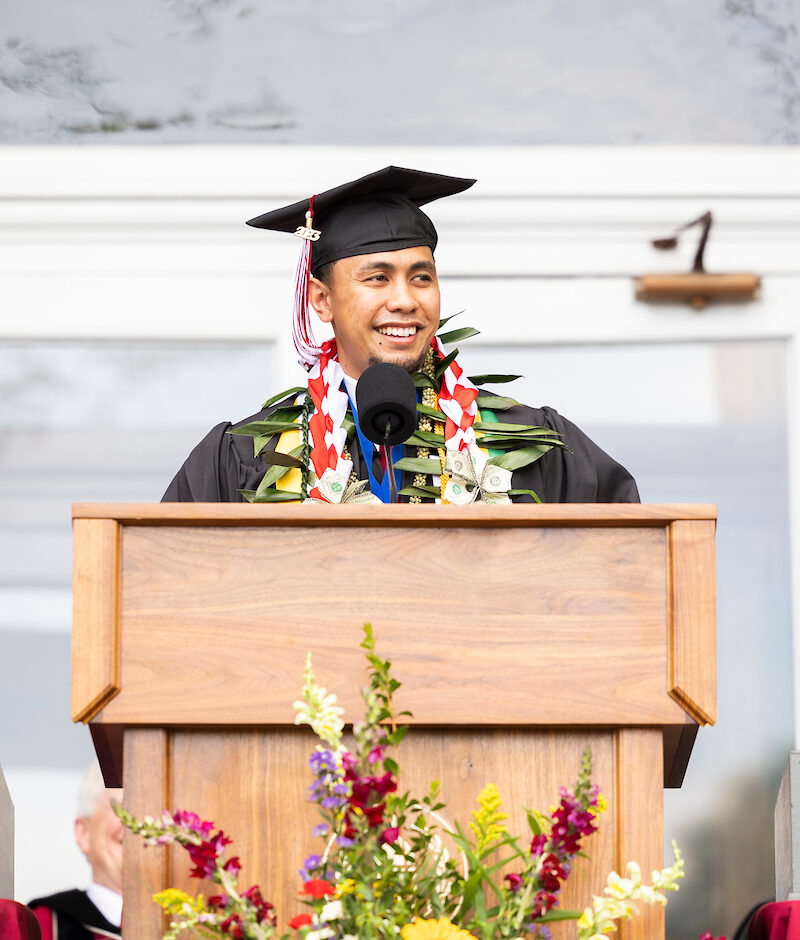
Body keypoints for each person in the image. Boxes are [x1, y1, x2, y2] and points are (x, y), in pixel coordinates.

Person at [163, 166, 638, 505]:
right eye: (377, 278)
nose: (405, 300)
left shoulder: (530, 445)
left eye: (421, 277)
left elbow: (630, 565)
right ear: (322, 300)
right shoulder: (243, 459)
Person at [28, 763, 122, 940]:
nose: (140, 823)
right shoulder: (47, 922)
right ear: (84, 833)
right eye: (122, 806)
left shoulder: (185, 918)